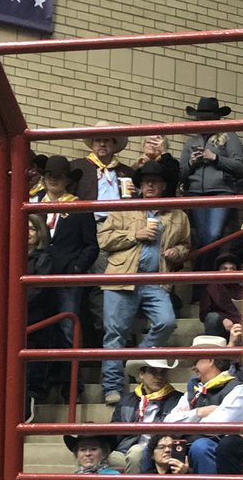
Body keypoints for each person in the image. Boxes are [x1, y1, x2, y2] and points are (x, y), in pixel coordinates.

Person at [97, 159, 190, 406]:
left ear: (163, 186)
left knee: (167, 322)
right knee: (115, 334)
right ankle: (112, 387)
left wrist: (177, 253)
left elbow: (186, 246)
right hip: (122, 278)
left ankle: (137, 359)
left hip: (155, 281)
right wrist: (135, 235)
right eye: (146, 181)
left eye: (155, 182)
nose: (150, 185)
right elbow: (104, 240)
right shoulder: (123, 207)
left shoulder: (178, 214)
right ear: (139, 185)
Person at [26, 155, 98, 405]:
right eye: (49, 176)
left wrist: (76, 268)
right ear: (43, 178)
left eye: (58, 177)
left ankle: (71, 385)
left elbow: (92, 246)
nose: (53, 180)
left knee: (68, 330)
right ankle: (39, 386)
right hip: (37, 279)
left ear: (68, 181)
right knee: (40, 331)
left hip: (67, 279)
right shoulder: (33, 203)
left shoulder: (79, 206)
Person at [166, 334, 243, 475]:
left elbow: (215, 427)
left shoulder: (238, 390)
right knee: (150, 449)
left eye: (196, 360)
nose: (193, 367)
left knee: (201, 447)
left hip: (217, 449)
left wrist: (186, 420)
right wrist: (200, 412)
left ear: (210, 359)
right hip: (188, 444)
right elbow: (168, 423)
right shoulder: (193, 390)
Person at [179, 97, 243, 271]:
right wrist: (191, 163)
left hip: (221, 192)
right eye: (202, 117)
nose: (205, 120)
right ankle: (204, 286)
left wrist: (214, 157)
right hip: (196, 194)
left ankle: (202, 285)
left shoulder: (229, 137)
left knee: (212, 236)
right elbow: (181, 174)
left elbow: (240, 166)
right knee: (203, 239)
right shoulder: (190, 143)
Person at [108, 357, 181, 473]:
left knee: (136, 453)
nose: (159, 377)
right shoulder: (126, 400)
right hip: (126, 450)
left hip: (160, 450)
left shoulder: (178, 400)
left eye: (163, 372)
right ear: (141, 374)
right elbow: (114, 432)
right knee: (96, 453)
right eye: (153, 372)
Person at [70, 122, 134, 222]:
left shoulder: (126, 172)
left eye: (106, 140)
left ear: (114, 144)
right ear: (92, 144)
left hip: (119, 224)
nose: (102, 144)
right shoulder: (77, 167)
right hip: (88, 223)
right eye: (98, 140)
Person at [200, 250, 243, 339]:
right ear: (218, 270)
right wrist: (223, 318)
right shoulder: (211, 287)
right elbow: (204, 315)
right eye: (224, 268)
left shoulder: (242, 287)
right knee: (212, 317)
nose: (228, 271)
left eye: (232, 269)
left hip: (241, 328)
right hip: (221, 328)